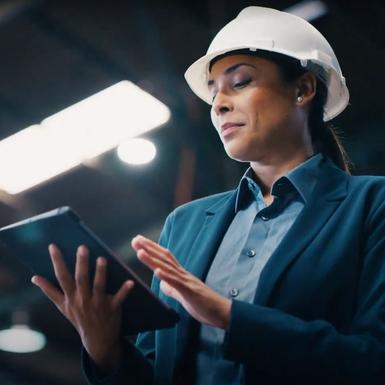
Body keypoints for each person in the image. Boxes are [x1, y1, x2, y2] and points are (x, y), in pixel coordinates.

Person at [31, 6, 385, 385]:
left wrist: (228, 316)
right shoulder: (185, 225)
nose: (218, 104)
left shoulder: (372, 205)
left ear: (303, 89)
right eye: (214, 92)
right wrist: (105, 348)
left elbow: (374, 361)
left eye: (241, 82)